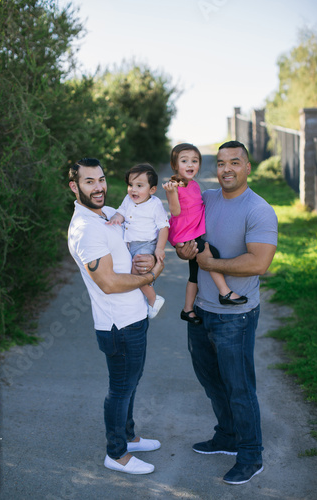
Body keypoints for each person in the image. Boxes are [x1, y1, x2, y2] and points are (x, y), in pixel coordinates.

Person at [176, 141, 278, 485]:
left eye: (235, 162)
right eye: (220, 163)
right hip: (202, 310)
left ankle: (251, 455)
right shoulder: (206, 198)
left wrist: (210, 262)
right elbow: (185, 238)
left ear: (248, 167)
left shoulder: (259, 209)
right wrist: (183, 250)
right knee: (212, 382)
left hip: (236, 316)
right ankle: (228, 436)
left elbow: (260, 262)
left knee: (239, 387)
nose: (227, 169)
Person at [68, 158, 164, 475]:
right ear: (75, 187)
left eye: (102, 179)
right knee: (120, 389)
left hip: (136, 314)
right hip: (117, 325)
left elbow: (142, 236)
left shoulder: (109, 214)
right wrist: (149, 280)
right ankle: (116, 453)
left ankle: (128, 436)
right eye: (89, 182)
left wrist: (151, 258)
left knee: (132, 382)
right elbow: (108, 283)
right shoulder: (84, 229)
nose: (99, 187)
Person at [162, 143, 247, 326]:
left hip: (192, 234)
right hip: (185, 236)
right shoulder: (175, 186)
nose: (190, 164)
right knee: (212, 254)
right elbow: (175, 212)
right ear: (175, 164)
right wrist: (171, 193)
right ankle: (225, 292)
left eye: (195, 161)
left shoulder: (192, 184)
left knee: (194, 275)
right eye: (184, 161)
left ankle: (187, 309)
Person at [107, 163, 169, 319]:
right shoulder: (128, 200)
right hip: (129, 244)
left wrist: (159, 248)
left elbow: (164, 227)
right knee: (131, 272)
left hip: (146, 244)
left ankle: (153, 299)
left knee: (136, 273)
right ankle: (143, 294)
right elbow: (121, 211)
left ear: (152, 190)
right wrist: (116, 218)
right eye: (130, 184)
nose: (133, 189)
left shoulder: (154, 204)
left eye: (139, 185)